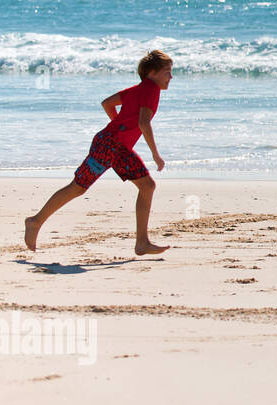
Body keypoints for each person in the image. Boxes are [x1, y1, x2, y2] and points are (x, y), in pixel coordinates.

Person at [24, 50, 173, 255]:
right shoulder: (151, 89)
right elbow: (143, 122)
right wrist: (155, 154)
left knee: (147, 186)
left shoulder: (139, 88)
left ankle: (142, 243)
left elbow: (107, 103)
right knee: (78, 187)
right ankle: (35, 221)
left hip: (116, 147)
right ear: (153, 72)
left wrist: (118, 127)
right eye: (167, 71)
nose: (171, 77)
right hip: (109, 146)